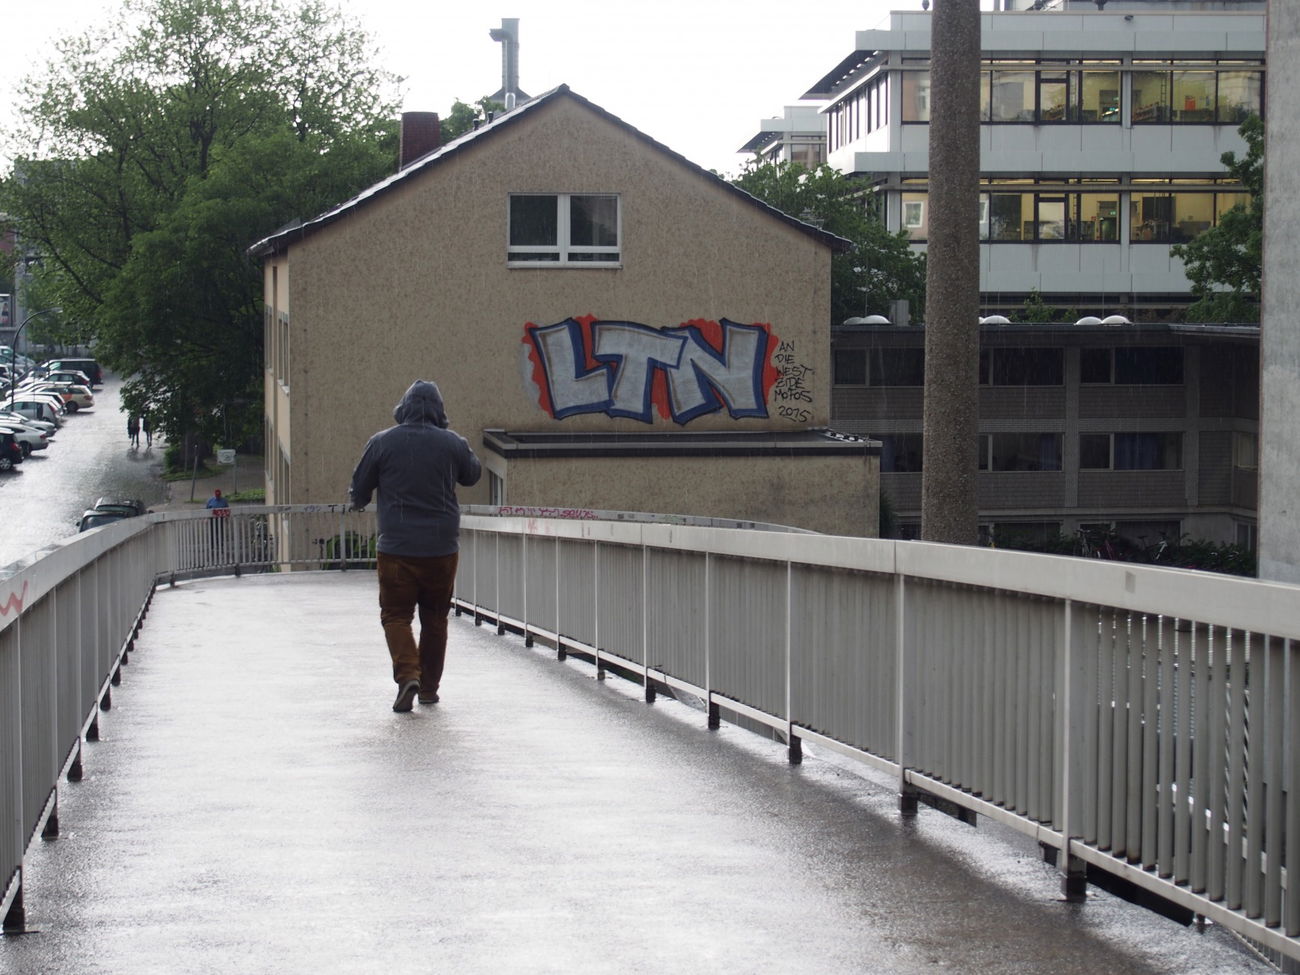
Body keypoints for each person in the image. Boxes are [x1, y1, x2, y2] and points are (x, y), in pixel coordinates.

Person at [349, 380, 481, 712]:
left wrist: (359, 500)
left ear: (403, 408)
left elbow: (360, 487)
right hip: (441, 548)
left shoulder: (382, 443)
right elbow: (472, 475)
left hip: (396, 547)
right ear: (439, 410)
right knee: (435, 618)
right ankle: (429, 689)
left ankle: (408, 674)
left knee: (396, 614)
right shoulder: (452, 443)